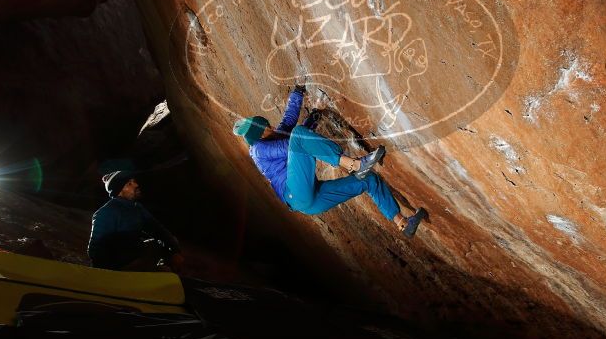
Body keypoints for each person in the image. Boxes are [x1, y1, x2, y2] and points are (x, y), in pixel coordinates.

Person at [233, 85, 427, 236]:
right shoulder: (259, 151)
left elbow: (288, 122)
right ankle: (354, 164)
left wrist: (298, 92)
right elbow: (293, 143)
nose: (272, 126)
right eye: (267, 127)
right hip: (294, 194)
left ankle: (402, 223)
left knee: (369, 180)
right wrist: (314, 116)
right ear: (260, 135)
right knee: (299, 135)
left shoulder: (269, 137)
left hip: (311, 201)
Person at [87, 170, 185, 272]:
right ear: (120, 190)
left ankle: (162, 275)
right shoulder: (106, 212)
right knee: (157, 255)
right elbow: (95, 251)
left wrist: (175, 252)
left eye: (134, 181)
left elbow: (158, 230)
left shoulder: (137, 208)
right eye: (130, 183)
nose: (136, 184)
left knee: (165, 244)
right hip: (117, 268)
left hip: (133, 258)